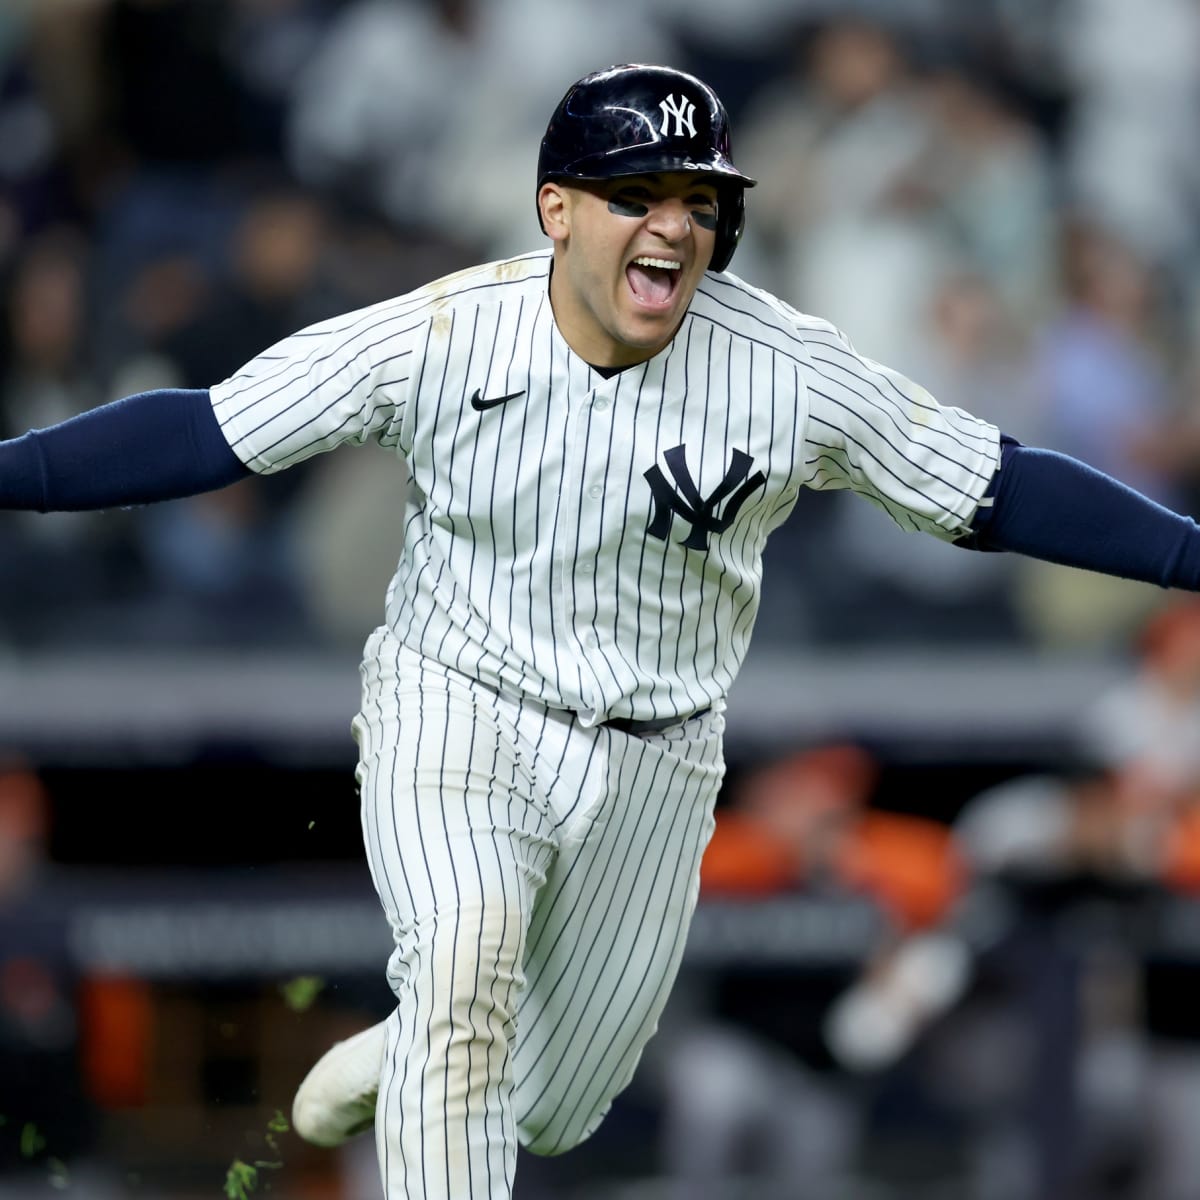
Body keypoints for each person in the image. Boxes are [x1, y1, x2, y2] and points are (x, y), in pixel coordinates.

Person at [3, 63, 1200, 1200]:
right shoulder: (444, 333)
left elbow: (1000, 486)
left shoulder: (786, 370)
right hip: (458, 704)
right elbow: (205, 431)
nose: (672, 227)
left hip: (658, 753)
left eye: (698, 200)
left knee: (556, 1103)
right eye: (636, 195)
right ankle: (439, 1022)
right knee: (466, 968)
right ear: (557, 210)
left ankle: (409, 1045)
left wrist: (1188, 554)